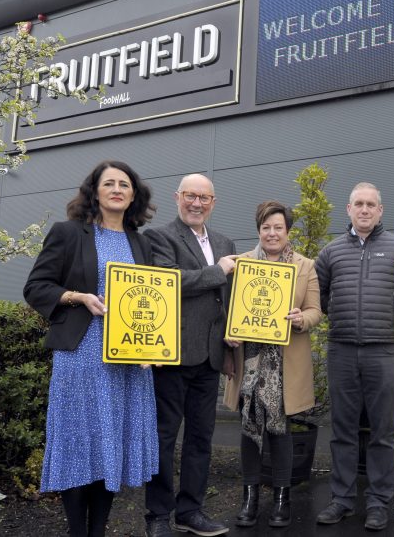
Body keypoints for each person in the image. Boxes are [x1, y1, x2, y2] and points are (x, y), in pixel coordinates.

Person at [23, 160, 158, 537]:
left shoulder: (141, 242)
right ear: (94, 191)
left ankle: (98, 530)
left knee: (109, 443)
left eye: (125, 185)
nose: (117, 189)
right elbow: (36, 287)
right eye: (109, 183)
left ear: (134, 195)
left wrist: (152, 345)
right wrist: (77, 296)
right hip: (82, 355)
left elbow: (151, 301)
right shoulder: (68, 233)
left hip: (127, 359)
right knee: (78, 444)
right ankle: (76, 532)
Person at [143, 174, 237, 537]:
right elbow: (168, 282)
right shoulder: (160, 237)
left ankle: (190, 511)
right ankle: (158, 515)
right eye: (190, 196)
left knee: (201, 438)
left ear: (213, 202)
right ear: (177, 197)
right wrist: (218, 271)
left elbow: (226, 300)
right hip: (173, 355)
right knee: (164, 438)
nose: (197, 203)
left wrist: (232, 338)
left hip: (210, 358)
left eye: (204, 198)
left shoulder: (224, 241)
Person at [223, 200, 322, 528]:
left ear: (287, 231)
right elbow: (229, 309)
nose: (272, 233)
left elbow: (315, 311)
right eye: (266, 227)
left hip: (284, 363)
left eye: (278, 227)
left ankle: (282, 496)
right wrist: (230, 333)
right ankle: (249, 496)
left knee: (280, 432)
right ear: (258, 230)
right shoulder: (242, 264)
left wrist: (299, 319)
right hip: (249, 360)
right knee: (249, 430)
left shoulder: (305, 266)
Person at [315, 182, 394, 531]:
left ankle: (379, 502)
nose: (365, 209)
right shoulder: (331, 252)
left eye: (371, 204)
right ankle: (341, 499)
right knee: (343, 430)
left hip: (385, 350)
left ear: (381, 211)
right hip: (342, 349)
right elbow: (320, 297)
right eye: (359, 204)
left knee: (383, 431)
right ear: (348, 209)